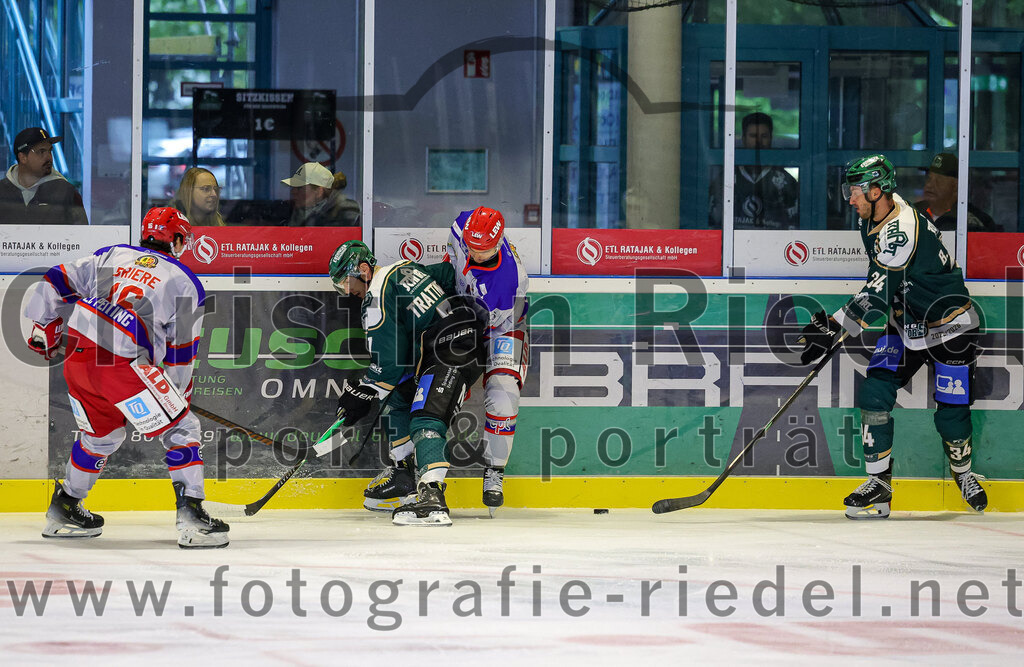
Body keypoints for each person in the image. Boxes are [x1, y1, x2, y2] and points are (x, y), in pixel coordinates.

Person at [24, 207, 229, 548]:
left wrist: (45, 324)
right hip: (124, 365)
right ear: (176, 239)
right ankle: (192, 516)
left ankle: (65, 507)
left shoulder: (112, 255)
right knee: (181, 428)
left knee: (100, 436)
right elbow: (181, 353)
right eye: (183, 240)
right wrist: (176, 398)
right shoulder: (183, 280)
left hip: (79, 360)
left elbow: (56, 278)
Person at [799, 154, 986, 519]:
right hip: (905, 326)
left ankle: (963, 474)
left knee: (951, 414)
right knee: (874, 392)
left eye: (854, 191)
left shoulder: (901, 228)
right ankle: (879, 485)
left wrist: (835, 325)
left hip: (951, 328)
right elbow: (879, 284)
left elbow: (878, 292)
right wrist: (840, 324)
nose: (848, 198)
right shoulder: (873, 219)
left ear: (875, 191)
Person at [328, 240, 486, 526]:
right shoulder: (404, 268)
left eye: (346, 283)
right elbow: (450, 276)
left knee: (426, 419)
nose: (347, 291)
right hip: (455, 343)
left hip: (449, 351)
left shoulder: (375, 296)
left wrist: (360, 393)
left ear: (364, 269)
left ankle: (432, 497)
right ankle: (405, 476)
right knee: (396, 399)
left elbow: (387, 364)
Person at [443, 206, 529, 509]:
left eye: (482, 250)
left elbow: (485, 329)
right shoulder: (462, 224)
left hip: (503, 327)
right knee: (441, 386)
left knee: (504, 395)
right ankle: (425, 467)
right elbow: (452, 259)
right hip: (463, 313)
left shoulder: (508, 282)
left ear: (498, 242)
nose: (475, 253)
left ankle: (494, 470)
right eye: (472, 246)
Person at [708, 112, 799, 229]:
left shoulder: (785, 181)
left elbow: (794, 226)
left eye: (764, 136)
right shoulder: (726, 178)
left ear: (771, 138)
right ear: (744, 139)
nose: (758, 141)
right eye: (753, 136)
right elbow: (712, 222)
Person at [0, 127, 88, 225]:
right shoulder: (2, 190)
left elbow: (82, 237)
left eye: (50, 151)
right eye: (41, 152)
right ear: (23, 157)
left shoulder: (66, 192)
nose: (49, 157)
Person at [913, 152, 996, 232]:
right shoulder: (911, 212)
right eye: (929, 179)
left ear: (956, 186)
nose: (929, 185)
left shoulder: (974, 222)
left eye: (939, 180)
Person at [283, 162, 360, 226]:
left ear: (319, 191)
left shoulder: (346, 210)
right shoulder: (298, 212)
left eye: (299, 187)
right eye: (293, 187)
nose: (293, 192)